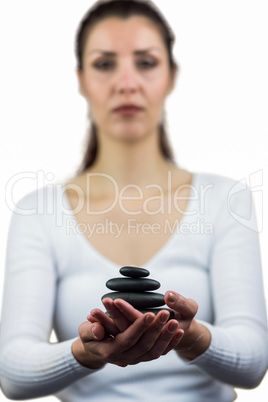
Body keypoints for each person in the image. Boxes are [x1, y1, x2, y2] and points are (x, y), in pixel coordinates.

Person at [0, 0, 267, 400]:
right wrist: (84, 353)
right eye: (105, 64)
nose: (127, 83)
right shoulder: (39, 212)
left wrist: (188, 335)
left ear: (172, 76)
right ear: (81, 78)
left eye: (146, 62)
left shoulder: (226, 200)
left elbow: (253, 363)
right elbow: (13, 373)